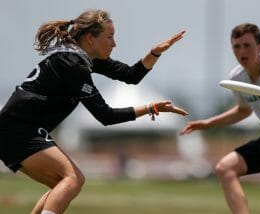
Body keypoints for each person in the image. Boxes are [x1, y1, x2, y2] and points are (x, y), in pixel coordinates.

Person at [0, 10, 188, 214]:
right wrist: (150, 108)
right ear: (90, 38)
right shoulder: (73, 65)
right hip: (19, 130)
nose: (114, 44)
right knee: (73, 179)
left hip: (16, 130)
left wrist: (155, 53)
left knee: (62, 185)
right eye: (109, 37)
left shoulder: (80, 58)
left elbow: (131, 75)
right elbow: (106, 116)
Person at [180, 23, 260, 214]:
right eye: (237, 46)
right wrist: (208, 123)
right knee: (225, 168)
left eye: (247, 45)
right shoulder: (237, 78)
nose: (242, 51)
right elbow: (243, 111)